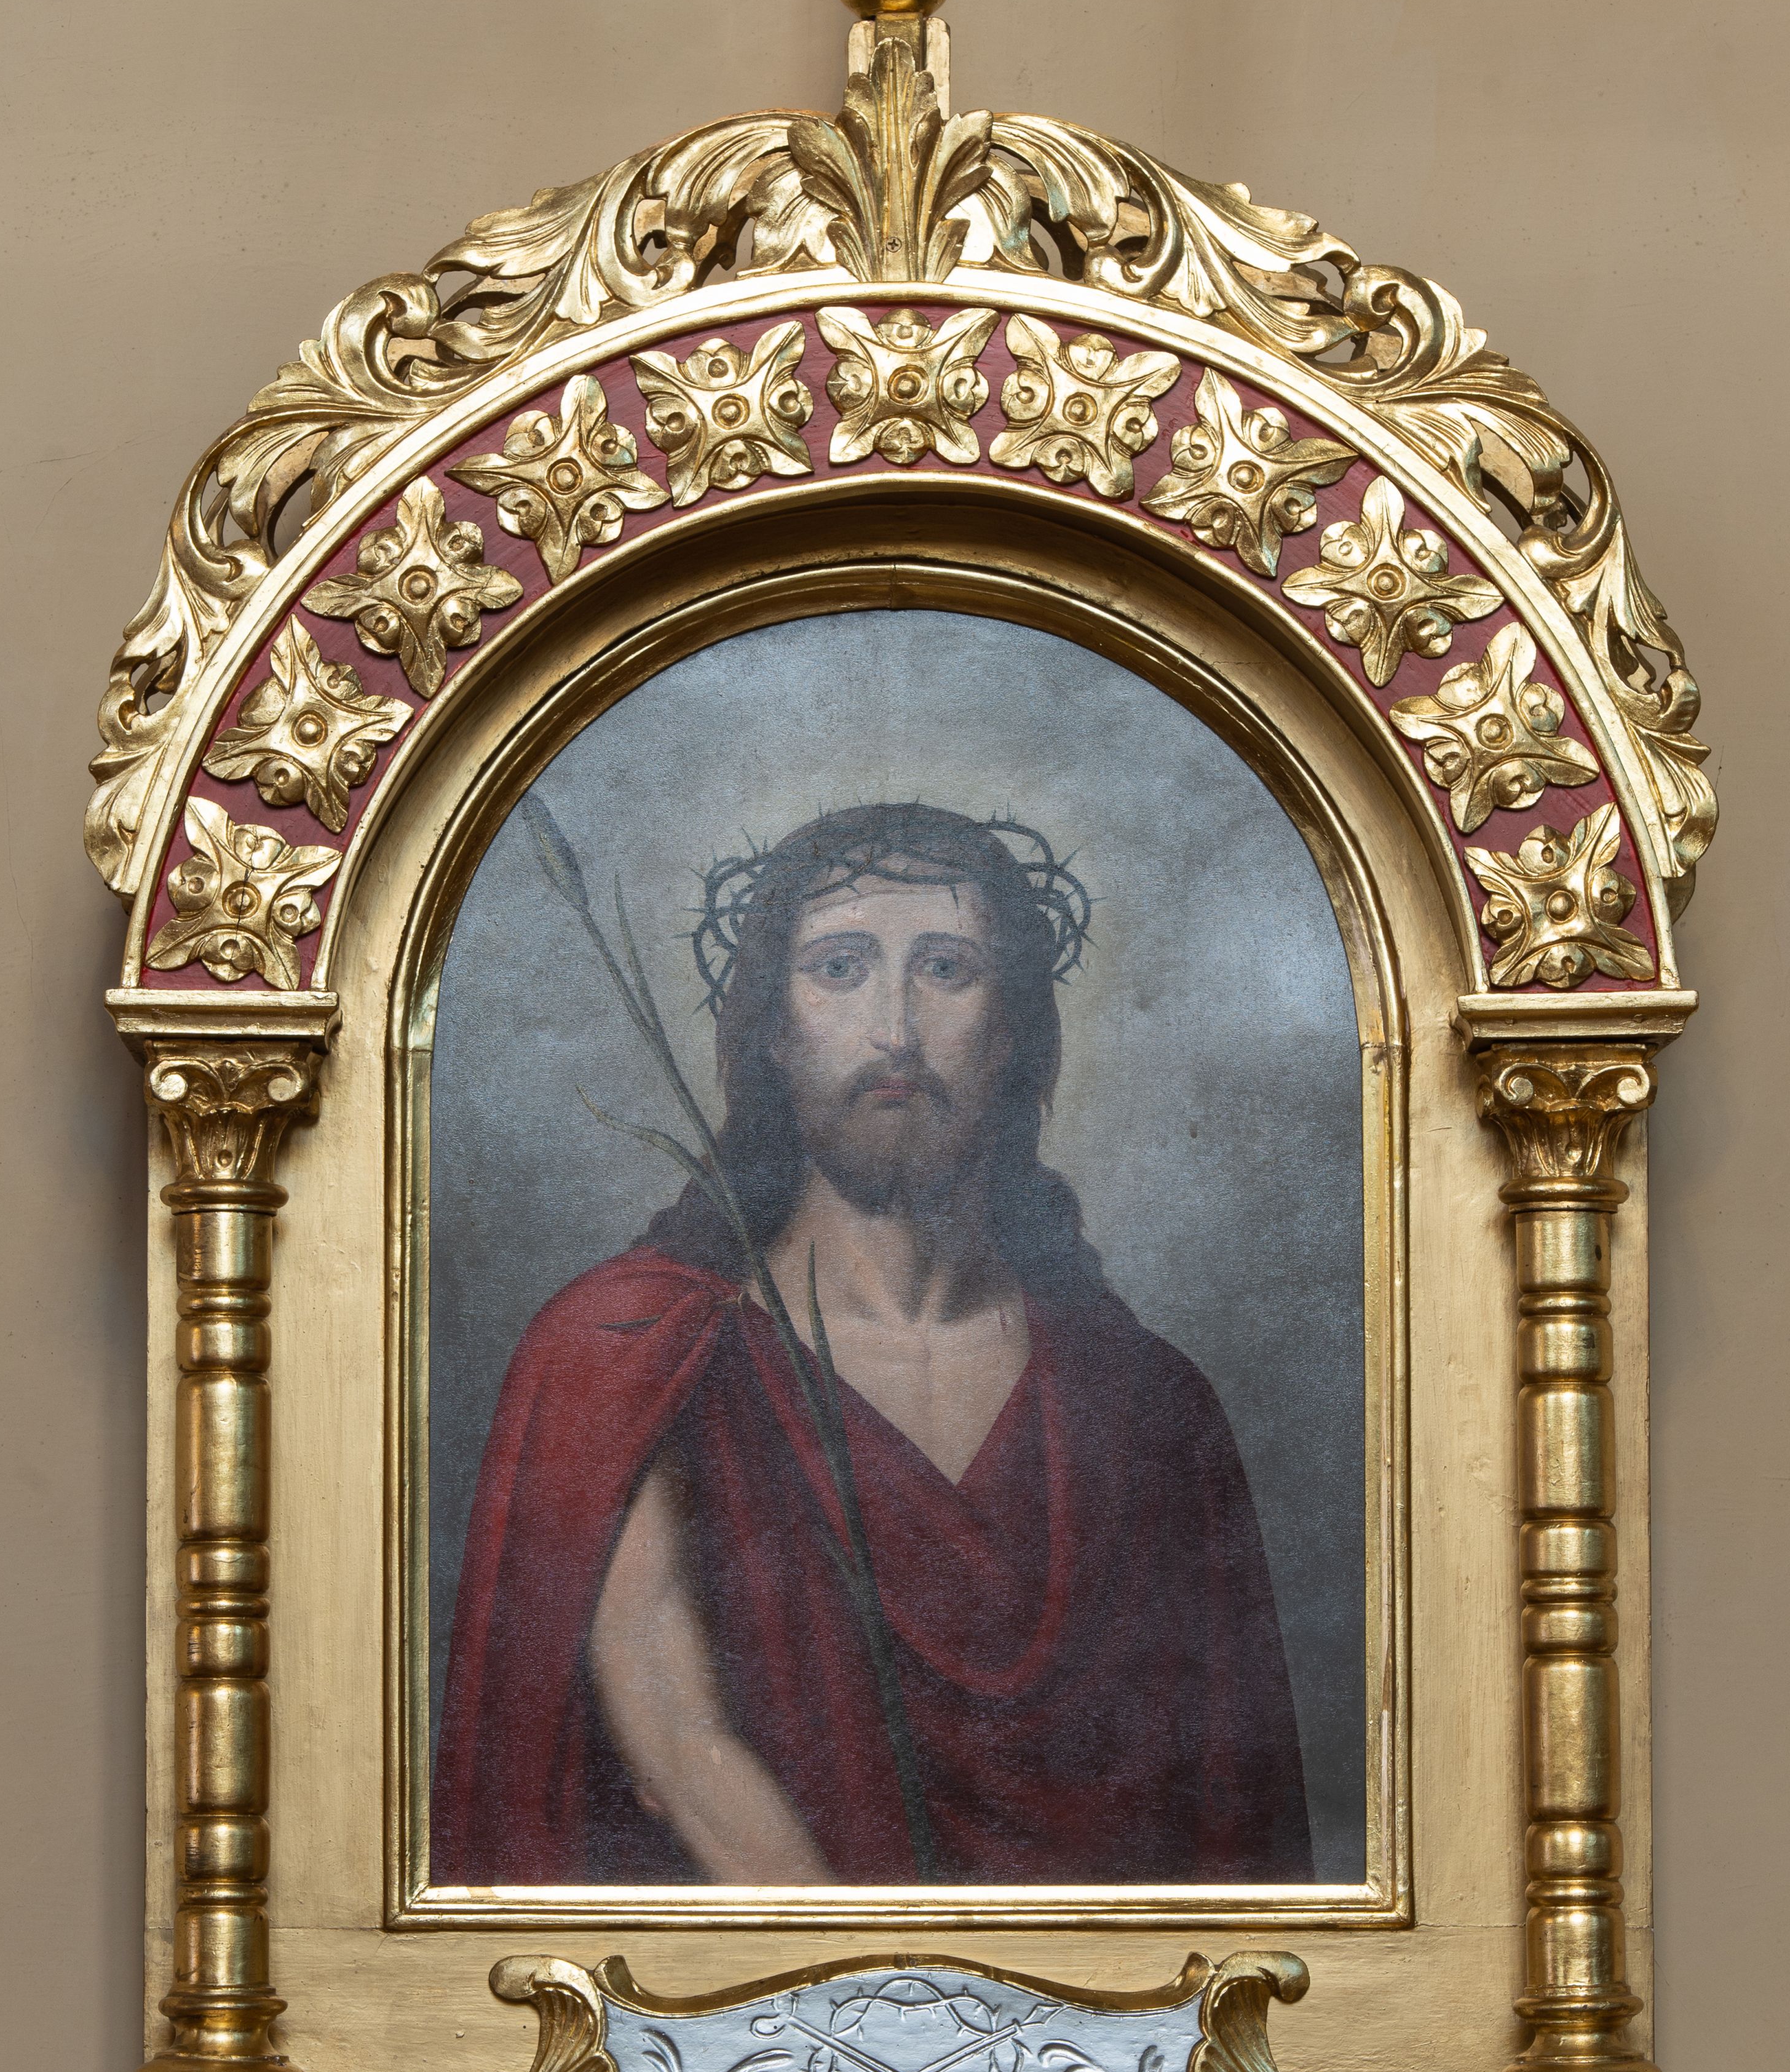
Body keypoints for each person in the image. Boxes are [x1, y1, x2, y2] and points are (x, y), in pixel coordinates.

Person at [432, 802, 1312, 1886]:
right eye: (840, 969)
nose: (896, 1029)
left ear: (1014, 1031)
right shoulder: (633, 1350)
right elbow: (676, 1745)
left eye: (947, 969)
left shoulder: (1148, 1404)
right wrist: (897, 1973)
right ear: (772, 1029)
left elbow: (1221, 1825)